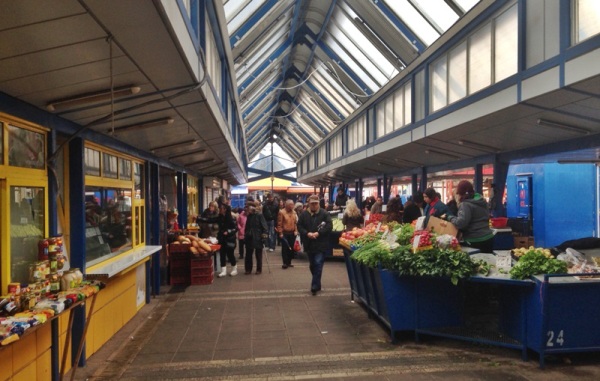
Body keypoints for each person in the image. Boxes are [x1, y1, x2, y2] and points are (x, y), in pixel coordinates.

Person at [297, 195, 333, 295]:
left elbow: (329, 226)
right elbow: (299, 226)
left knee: (318, 263)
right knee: (313, 265)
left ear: (318, 203)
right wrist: (306, 233)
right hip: (309, 244)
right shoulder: (304, 214)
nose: (314, 205)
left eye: (315, 203)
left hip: (321, 243)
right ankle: (318, 283)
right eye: (312, 203)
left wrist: (319, 233)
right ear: (309, 203)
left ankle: (314, 285)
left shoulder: (324, 214)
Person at [447, 180, 494, 253]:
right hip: (488, 238)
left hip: (475, 240)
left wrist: (450, 218)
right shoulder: (482, 200)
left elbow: (461, 223)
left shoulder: (465, 205)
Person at [244, 201, 268, 275]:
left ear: (252, 208)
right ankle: (248, 269)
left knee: (258, 254)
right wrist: (245, 234)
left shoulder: (259, 215)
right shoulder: (249, 216)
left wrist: (264, 235)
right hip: (249, 237)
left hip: (258, 237)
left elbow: (265, 227)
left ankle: (259, 269)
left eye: (248, 207)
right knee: (248, 254)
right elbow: (247, 227)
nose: (247, 209)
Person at [216, 204, 238, 277]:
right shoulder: (220, 217)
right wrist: (200, 218)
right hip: (222, 239)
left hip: (230, 240)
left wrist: (228, 232)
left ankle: (234, 269)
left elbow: (235, 229)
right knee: (222, 254)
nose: (219, 209)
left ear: (225, 209)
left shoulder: (230, 218)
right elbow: (211, 220)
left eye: (221, 208)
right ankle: (223, 271)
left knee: (230, 254)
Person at [277, 199, 298, 269]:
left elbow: (295, 223)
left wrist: (296, 230)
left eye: (293, 204)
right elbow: (279, 223)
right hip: (285, 233)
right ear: (287, 205)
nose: (292, 206)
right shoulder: (282, 212)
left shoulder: (294, 212)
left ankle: (289, 262)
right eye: (291, 205)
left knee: (291, 248)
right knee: (285, 248)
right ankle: (285, 263)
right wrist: (280, 233)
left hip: (292, 233)